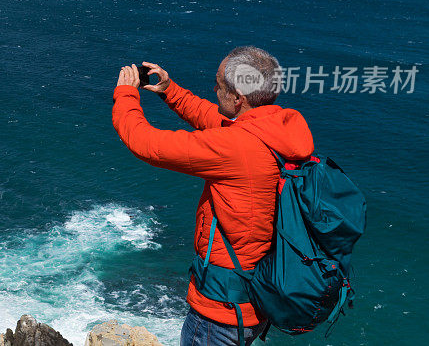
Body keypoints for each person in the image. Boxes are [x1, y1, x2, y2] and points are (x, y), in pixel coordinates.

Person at [112, 46, 314, 346]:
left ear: (238, 98)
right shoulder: (280, 130)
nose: (214, 89)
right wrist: (170, 91)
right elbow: (220, 120)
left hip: (218, 315)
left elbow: (145, 143)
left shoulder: (236, 148)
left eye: (218, 85)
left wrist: (127, 94)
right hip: (257, 297)